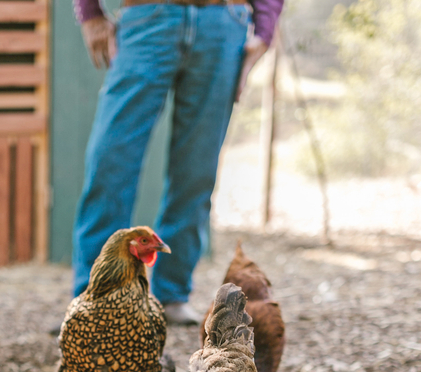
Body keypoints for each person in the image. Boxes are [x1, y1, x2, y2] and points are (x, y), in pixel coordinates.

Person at [70, 0, 283, 324]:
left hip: (224, 21)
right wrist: (89, 12)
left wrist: (265, 26)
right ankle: (96, 299)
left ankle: (172, 295)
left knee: (196, 172)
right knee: (110, 162)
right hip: (147, 16)